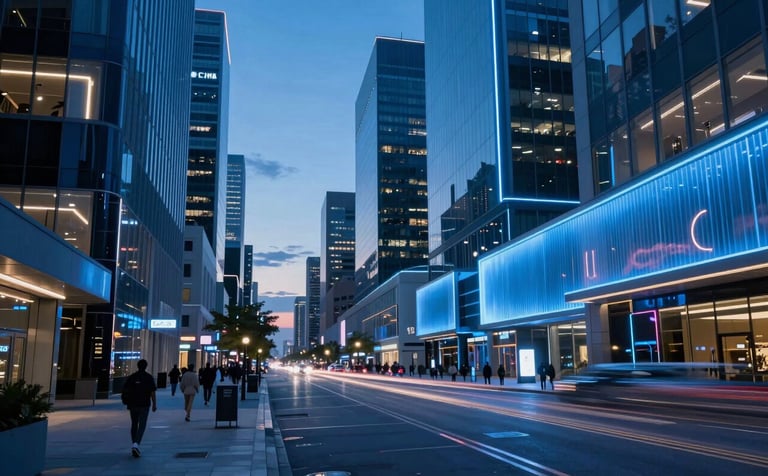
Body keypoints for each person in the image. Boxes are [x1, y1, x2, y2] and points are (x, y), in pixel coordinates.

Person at [121, 359, 157, 458]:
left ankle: (134, 444)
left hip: (133, 404)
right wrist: (154, 404)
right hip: (144, 404)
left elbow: (125, 389)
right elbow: (152, 392)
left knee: (134, 424)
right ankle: (136, 444)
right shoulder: (148, 377)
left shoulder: (132, 377)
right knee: (142, 425)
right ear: (146, 366)